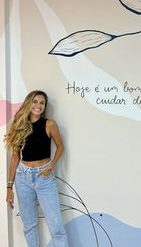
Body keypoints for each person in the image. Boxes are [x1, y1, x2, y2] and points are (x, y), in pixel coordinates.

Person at [5, 90, 68, 247]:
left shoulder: (49, 124)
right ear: (29, 103)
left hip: (44, 177)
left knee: (57, 227)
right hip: (22, 177)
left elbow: (60, 147)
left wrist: (51, 166)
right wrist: (9, 186)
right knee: (29, 226)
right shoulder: (19, 125)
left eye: (42, 103)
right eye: (35, 101)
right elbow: (15, 157)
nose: (38, 105)